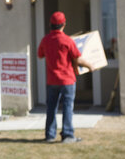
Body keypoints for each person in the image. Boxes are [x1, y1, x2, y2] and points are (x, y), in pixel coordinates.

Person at [38, 11, 93, 144]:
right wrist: (90, 66)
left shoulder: (45, 40)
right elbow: (77, 59)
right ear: (64, 24)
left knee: (51, 107)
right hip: (67, 80)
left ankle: (50, 135)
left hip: (52, 80)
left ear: (50, 25)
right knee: (68, 107)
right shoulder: (68, 41)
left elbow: (40, 55)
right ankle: (68, 135)